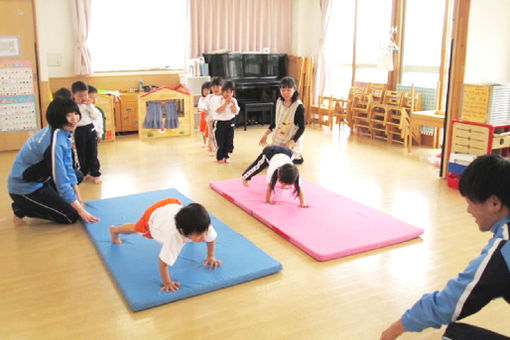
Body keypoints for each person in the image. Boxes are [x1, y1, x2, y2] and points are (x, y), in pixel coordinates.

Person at [380, 154, 510, 340]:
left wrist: (393, 330)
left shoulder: (504, 249)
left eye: (470, 203)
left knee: (453, 336)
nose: (468, 210)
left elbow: (452, 301)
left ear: (494, 203)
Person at [7, 97, 100, 225]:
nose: (74, 119)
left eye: (75, 113)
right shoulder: (54, 142)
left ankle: (48, 201)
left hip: (41, 178)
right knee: (71, 216)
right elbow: (61, 179)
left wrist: (78, 199)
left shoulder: (61, 131)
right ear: (58, 117)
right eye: (68, 115)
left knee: (78, 175)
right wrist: (80, 210)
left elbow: (68, 167)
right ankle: (22, 208)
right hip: (25, 188)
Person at [109, 199, 222, 292]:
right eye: (198, 235)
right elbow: (163, 263)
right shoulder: (175, 238)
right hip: (153, 216)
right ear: (183, 232)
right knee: (137, 228)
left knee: (200, 233)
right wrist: (167, 282)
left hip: (172, 204)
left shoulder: (204, 226)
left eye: (206, 231)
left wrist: (210, 255)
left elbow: (211, 239)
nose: (204, 236)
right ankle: (115, 230)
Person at [241, 145, 308, 208]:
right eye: (283, 183)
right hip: (270, 151)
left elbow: (299, 188)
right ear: (279, 175)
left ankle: (285, 183)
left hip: (288, 152)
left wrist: (303, 202)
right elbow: (269, 187)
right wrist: (268, 200)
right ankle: (245, 177)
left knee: (288, 170)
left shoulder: (295, 174)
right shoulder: (272, 170)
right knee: (258, 166)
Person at [259, 76, 305, 164]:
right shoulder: (279, 101)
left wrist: (292, 142)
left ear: (294, 89)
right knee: (267, 154)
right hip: (279, 138)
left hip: (291, 140)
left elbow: (302, 128)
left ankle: (296, 157)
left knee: (277, 160)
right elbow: (276, 121)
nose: (285, 93)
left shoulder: (298, 106)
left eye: (289, 90)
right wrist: (265, 134)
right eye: (283, 90)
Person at [72, 81, 102, 184]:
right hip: (79, 131)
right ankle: (84, 173)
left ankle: (95, 173)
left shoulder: (88, 105)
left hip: (90, 130)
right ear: (73, 95)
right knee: (81, 154)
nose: (83, 98)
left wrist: (90, 106)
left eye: (85, 95)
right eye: (80, 96)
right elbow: (71, 125)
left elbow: (95, 117)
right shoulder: (73, 107)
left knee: (93, 153)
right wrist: (71, 139)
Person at [207, 80, 239, 163]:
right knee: (220, 141)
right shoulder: (219, 100)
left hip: (230, 121)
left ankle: (226, 155)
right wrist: (225, 104)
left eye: (229, 92)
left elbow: (235, 112)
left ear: (232, 92)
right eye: (225, 92)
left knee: (229, 140)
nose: (227, 94)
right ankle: (220, 157)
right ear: (222, 92)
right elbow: (218, 111)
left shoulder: (233, 100)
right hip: (220, 122)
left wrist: (233, 104)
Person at [198, 81, 211, 148]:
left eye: (208, 90)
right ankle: (204, 142)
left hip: (209, 116)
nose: (206, 91)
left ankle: (210, 142)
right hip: (203, 116)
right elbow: (200, 107)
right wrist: (204, 110)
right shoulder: (201, 99)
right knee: (203, 130)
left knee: (208, 130)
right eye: (204, 90)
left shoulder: (211, 98)